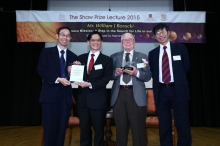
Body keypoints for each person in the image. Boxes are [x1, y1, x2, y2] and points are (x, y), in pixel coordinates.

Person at [148, 23, 192, 146]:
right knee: (164, 126)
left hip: (178, 91)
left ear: (168, 32)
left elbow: (186, 67)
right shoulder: (152, 54)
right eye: (157, 33)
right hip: (161, 92)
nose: (160, 35)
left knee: (182, 124)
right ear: (155, 37)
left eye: (162, 32)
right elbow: (153, 71)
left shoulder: (181, 48)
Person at [37, 26, 77, 146]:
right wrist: (58, 79)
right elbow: (41, 70)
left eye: (68, 35)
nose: (65, 37)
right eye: (63, 34)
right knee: (49, 128)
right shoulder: (46, 52)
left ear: (70, 38)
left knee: (61, 129)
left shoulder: (73, 56)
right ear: (57, 36)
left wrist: (73, 71)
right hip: (49, 96)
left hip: (65, 97)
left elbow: (74, 79)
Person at [110, 33, 152, 146]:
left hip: (136, 95)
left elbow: (147, 76)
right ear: (121, 43)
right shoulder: (114, 57)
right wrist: (115, 73)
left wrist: (136, 73)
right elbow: (108, 75)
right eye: (125, 40)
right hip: (118, 95)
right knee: (120, 130)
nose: (128, 42)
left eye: (130, 40)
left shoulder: (143, 57)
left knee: (138, 129)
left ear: (134, 42)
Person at [72, 31, 113, 146]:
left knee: (99, 131)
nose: (96, 42)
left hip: (98, 101)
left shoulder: (107, 60)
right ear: (88, 42)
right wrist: (74, 69)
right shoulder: (80, 58)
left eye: (98, 40)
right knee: (84, 131)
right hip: (83, 101)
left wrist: (90, 84)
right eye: (93, 40)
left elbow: (106, 78)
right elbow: (75, 78)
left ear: (101, 42)